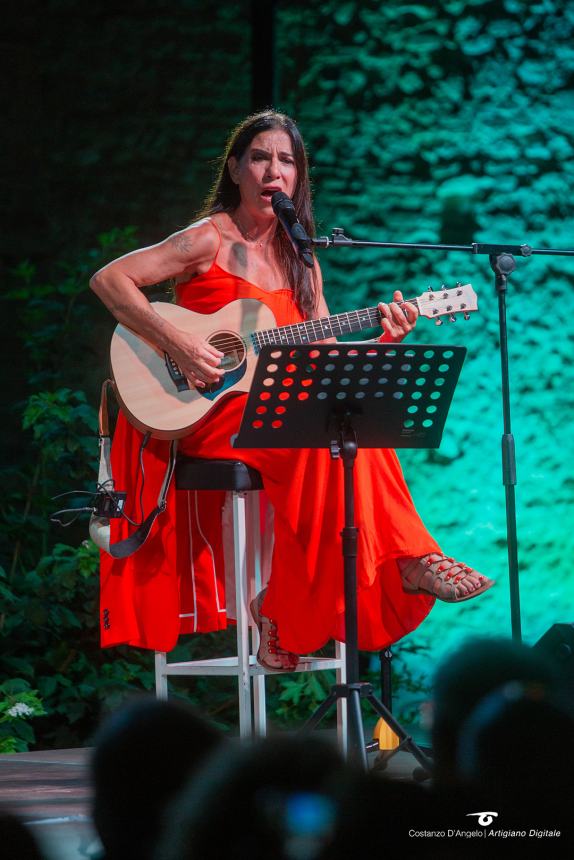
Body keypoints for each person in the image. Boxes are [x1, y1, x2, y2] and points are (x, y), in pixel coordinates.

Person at [90, 109, 494, 671]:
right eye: (260, 157)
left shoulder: (301, 257)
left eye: (287, 161)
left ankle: (391, 565)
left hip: (274, 412)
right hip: (206, 413)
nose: (273, 171)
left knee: (353, 434)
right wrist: (178, 344)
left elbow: (325, 361)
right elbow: (109, 279)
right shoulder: (206, 238)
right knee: (317, 438)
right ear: (235, 169)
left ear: (298, 178)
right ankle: (388, 566)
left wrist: (384, 336)